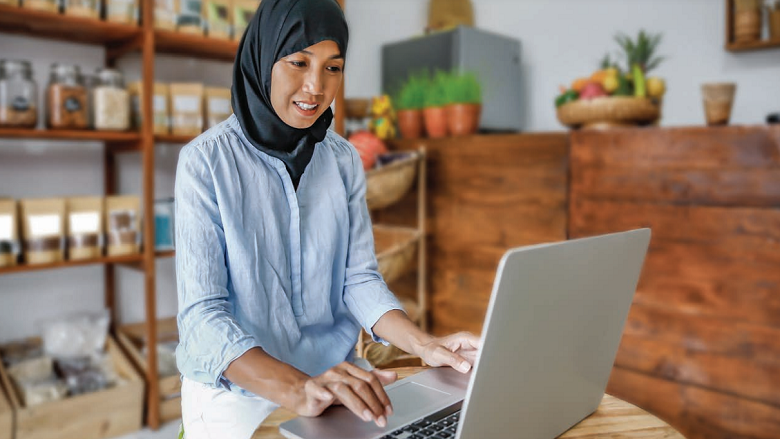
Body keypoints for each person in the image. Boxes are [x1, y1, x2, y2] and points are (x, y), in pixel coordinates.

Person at [174, 0, 480, 437]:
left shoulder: (342, 160)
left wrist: (424, 343)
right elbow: (202, 320)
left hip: (341, 384)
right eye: (299, 62)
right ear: (263, 58)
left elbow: (358, 279)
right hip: (242, 394)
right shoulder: (205, 163)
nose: (316, 86)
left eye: (332, 68)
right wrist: (298, 388)